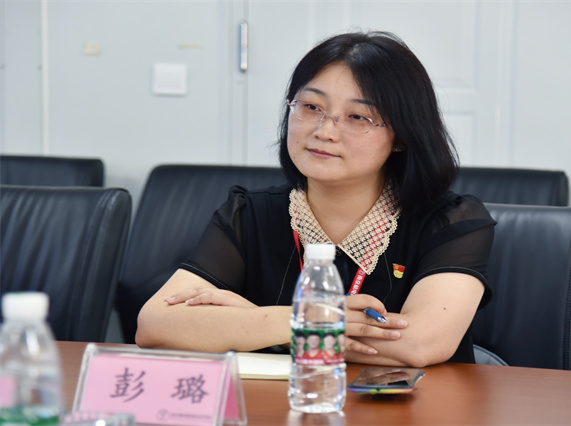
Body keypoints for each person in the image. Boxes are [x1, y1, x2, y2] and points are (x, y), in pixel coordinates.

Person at [136, 31, 496, 367]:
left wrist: (251, 322)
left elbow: (420, 343)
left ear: (402, 135)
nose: (324, 131)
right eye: (310, 107)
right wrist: (302, 321)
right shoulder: (248, 214)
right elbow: (155, 325)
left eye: (358, 116)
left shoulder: (452, 222)